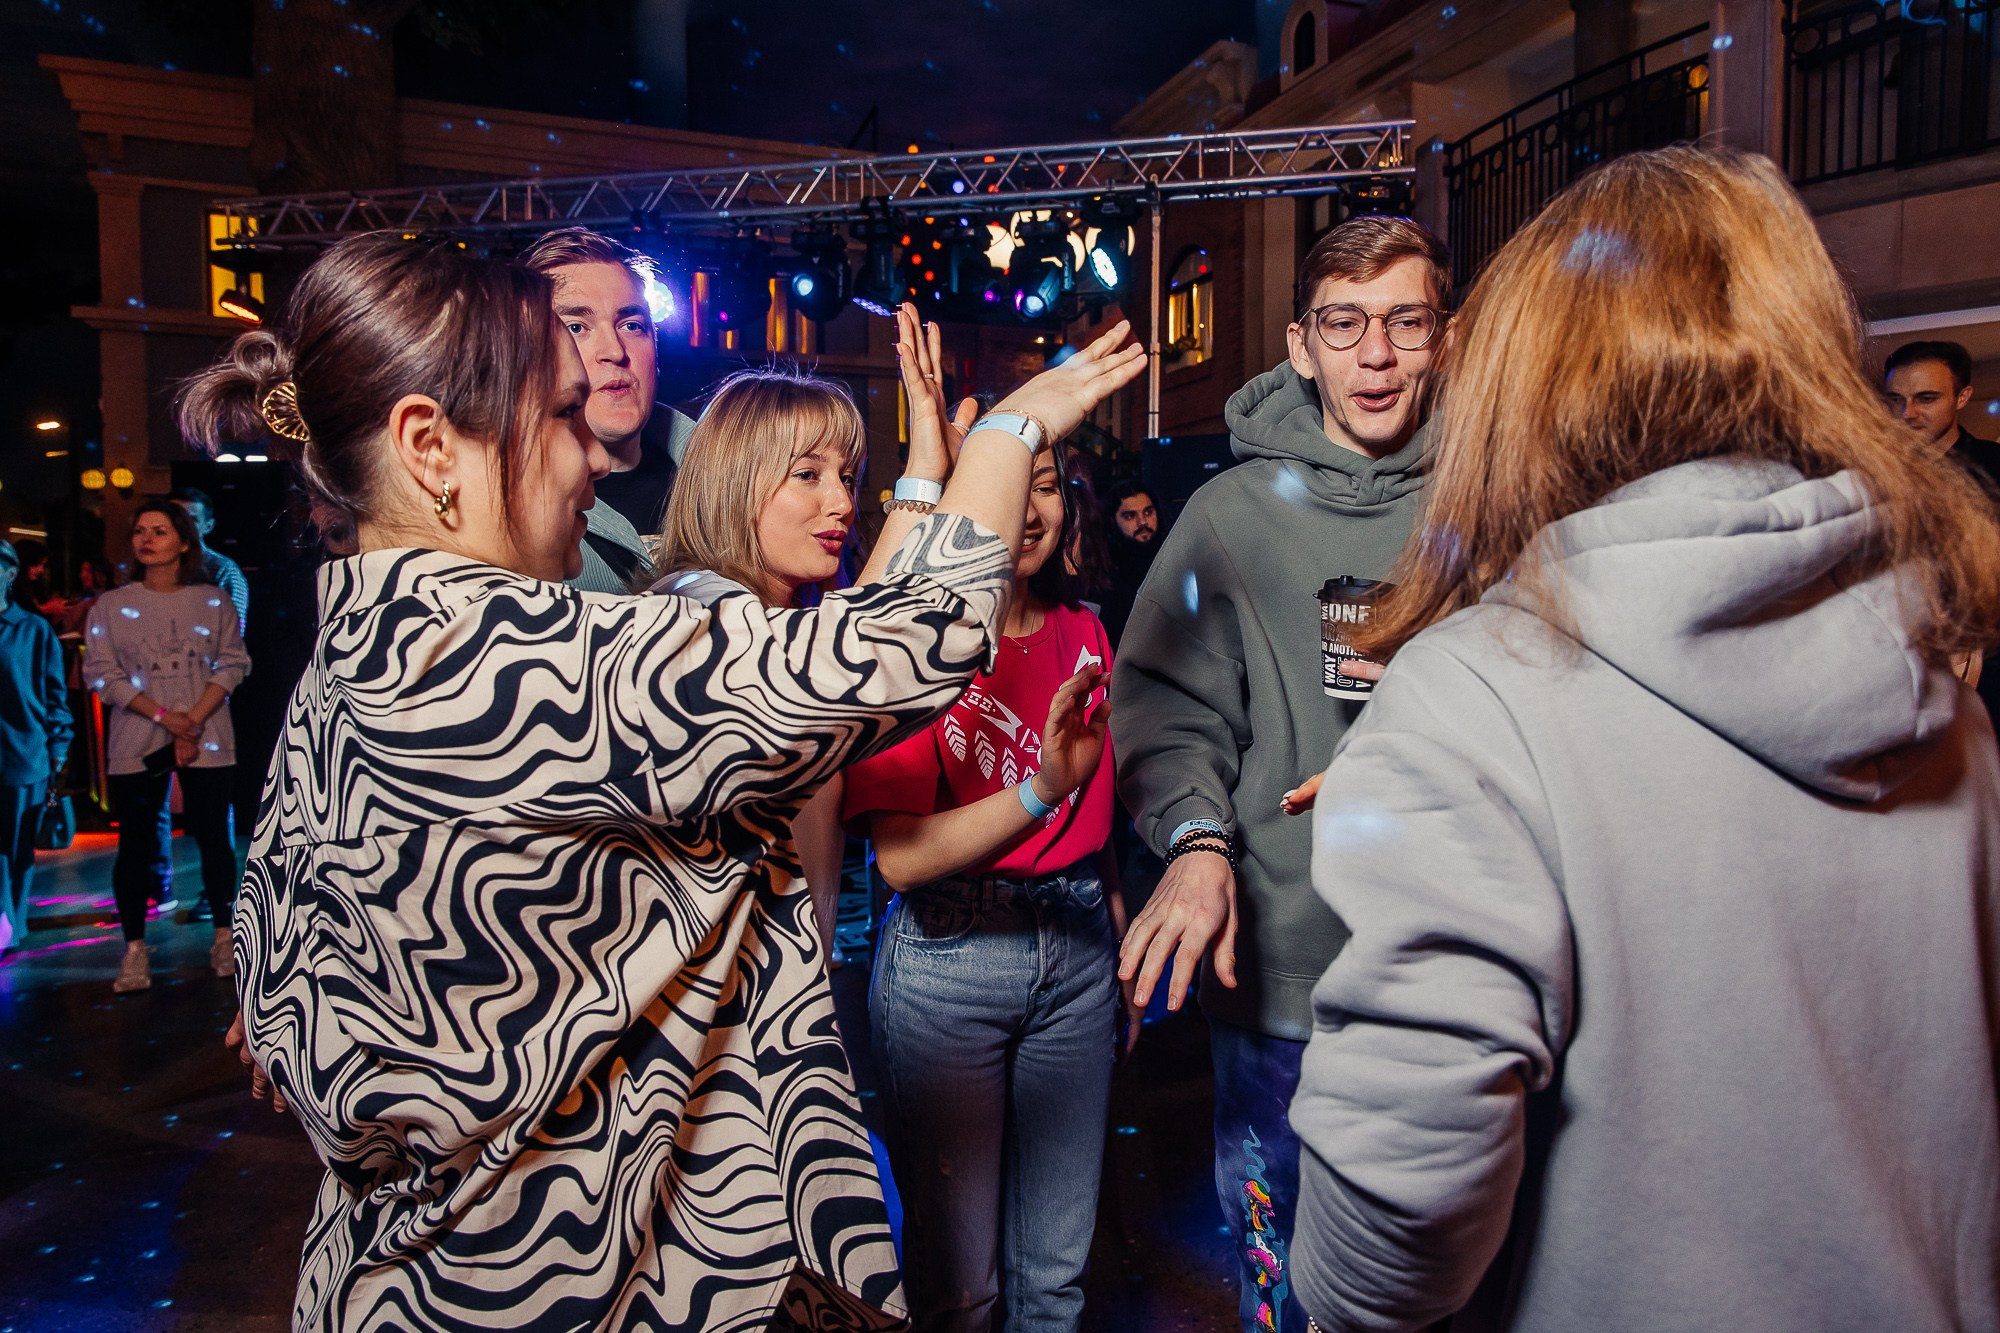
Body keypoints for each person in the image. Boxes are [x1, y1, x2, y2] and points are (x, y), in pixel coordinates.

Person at [180, 232, 1145, 1331]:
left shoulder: (347, 657)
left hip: (399, 1278)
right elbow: (910, 640)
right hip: (579, 1278)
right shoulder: (519, 662)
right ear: (430, 447)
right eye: (560, 416)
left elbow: (273, 982)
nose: (595, 460)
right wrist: (1013, 430)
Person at [1287, 146, 2000, 1333]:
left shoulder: (1479, 689)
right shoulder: (1941, 689)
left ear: (1526, 374)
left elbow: (1392, 1228)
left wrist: (1328, 1286)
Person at [1108, 214, 1449, 1333]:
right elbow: (1164, 706)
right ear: (1300, 345)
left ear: (1442, 338)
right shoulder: (1229, 516)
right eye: (1343, 324)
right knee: (1285, 1274)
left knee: (1452, 1276)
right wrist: (1197, 841)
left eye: (1405, 322)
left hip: (1459, 965)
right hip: (1281, 977)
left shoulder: (1494, 497)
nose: (1376, 354)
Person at [843, 304, 1138, 1333]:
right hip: (948, 961)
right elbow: (899, 860)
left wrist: (1112, 945)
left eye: (1046, 483)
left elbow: (1098, 820)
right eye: (1014, 479)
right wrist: (1040, 789)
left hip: (1077, 951)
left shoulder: (1086, 629)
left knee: (1055, 1278)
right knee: (960, 1290)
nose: (1030, 505)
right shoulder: (912, 655)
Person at [647, 366, 871, 970]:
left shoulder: (787, 616)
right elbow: (840, 664)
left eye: (847, 477)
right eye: (808, 474)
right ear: (735, 482)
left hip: (790, 988)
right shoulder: (698, 610)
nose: (842, 502)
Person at [82, 500, 250, 993]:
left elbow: (233, 663)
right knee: (135, 844)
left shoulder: (212, 601)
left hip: (207, 734)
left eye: (159, 530)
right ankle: (135, 949)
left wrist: (191, 722)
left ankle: (224, 937)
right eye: (139, 530)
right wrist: (165, 718)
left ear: (183, 541)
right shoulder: (111, 606)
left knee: (214, 838)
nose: (147, 539)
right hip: (137, 738)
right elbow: (103, 673)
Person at [520, 226, 697, 592]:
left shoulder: (734, 473)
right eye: (576, 327)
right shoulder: (512, 508)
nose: (614, 351)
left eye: (632, 325)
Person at [0, 539, 72, 957]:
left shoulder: (32, 630)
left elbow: (53, 694)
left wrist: (59, 747)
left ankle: (12, 921)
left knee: (16, 846)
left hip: (22, 753)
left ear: (10, 573)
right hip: (20, 750)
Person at [1884, 339, 1998, 483]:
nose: (1907, 413)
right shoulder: (1878, 469)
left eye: (1926, 399)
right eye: (1896, 400)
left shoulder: (1994, 465)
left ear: (1961, 398)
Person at [171, 487, 250, 632]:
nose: (181, 525)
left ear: (208, 526)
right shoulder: (146, 565)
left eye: (192, 520)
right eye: (174, 518)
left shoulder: (223, 569)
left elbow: (233, 631)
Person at [1099, 478, 1160, 647]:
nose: (1143, 522)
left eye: (1148, 512)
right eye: (1130, 516)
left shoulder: (1174, 557)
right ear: (1112, 521)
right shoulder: (1105, 572)